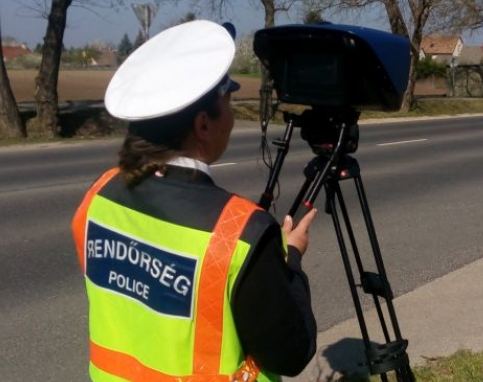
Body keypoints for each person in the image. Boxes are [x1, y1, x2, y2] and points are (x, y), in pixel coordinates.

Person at [71, 20, 318, 382]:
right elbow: (290, 354)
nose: (232, 117)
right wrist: (291, 258)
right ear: (203, 125)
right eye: (228, 102)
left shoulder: (99, 195)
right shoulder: (241, 233)